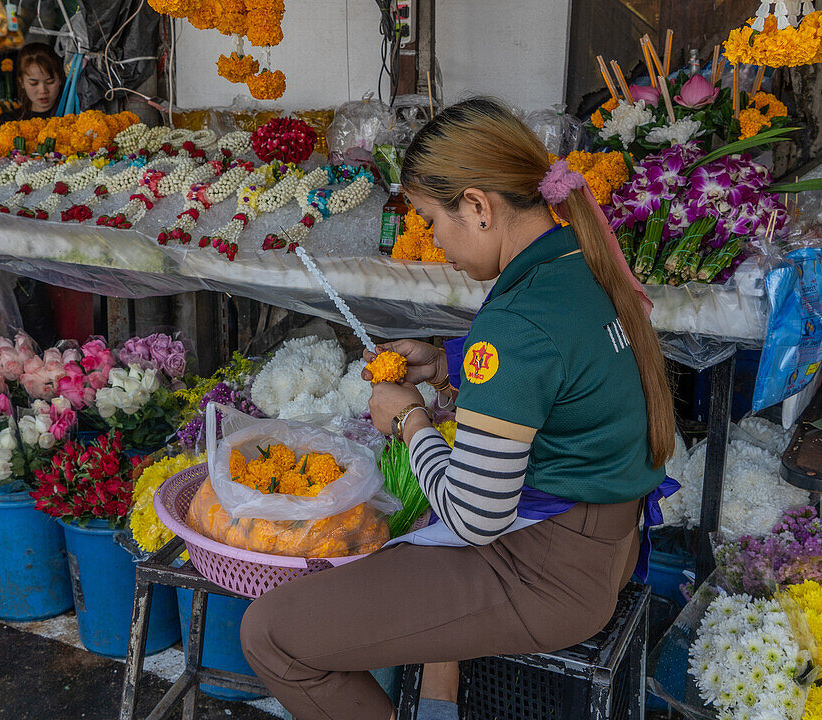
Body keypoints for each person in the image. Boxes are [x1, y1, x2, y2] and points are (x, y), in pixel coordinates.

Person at [239, 97, 677, 720]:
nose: (437, 242)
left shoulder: (517, 323)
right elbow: (556, 366)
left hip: (544, 571)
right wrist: (448, 363)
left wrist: (410, 419)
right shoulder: (577, 260)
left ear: (476, 206)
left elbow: (476, 516)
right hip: (604, 541)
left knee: (271, 635)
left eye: (430, 219)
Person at [15, 42, 65, 120]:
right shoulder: (10, 123)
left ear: (60, 79)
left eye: (50, 82)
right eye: (33, 83)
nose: (43, 90)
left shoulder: (74, 116)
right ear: (21, 82)